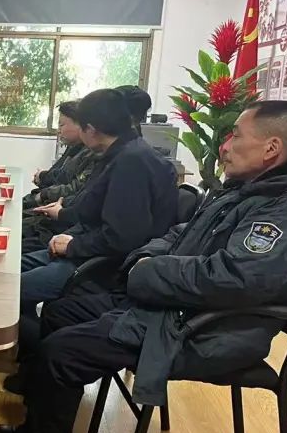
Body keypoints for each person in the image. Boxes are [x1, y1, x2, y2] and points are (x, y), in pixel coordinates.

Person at [0, 101, 287, 433]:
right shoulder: (246, 192)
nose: (225, 146)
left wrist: (150, 272)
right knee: (62, 311)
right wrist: (145, 259)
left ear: (271, 148)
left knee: (61, 350)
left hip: (204, 331)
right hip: (175, 307)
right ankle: (46, 430)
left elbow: (234, 279)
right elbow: (178, 234)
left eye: (236, 136)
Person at [16, 89, 178, 348]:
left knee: (10, 290)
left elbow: (123, 238)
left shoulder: (131, 162)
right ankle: (26, 349)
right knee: (8, 269)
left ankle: (40, 354)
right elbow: (91, 209)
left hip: (103, 265)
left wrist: (72, 245)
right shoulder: (118, 153)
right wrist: (68, 233)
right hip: (85, 248)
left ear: (90, 130)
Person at [24, 100, 98, 211]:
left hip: (61, 207)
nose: (58, 130)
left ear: (80, 125)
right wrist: (43, 177)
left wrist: (44, 194)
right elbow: (60, 174)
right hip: (53, 201)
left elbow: (76, 188)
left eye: (61, 125)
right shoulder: (73, 147)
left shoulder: (92, 152)